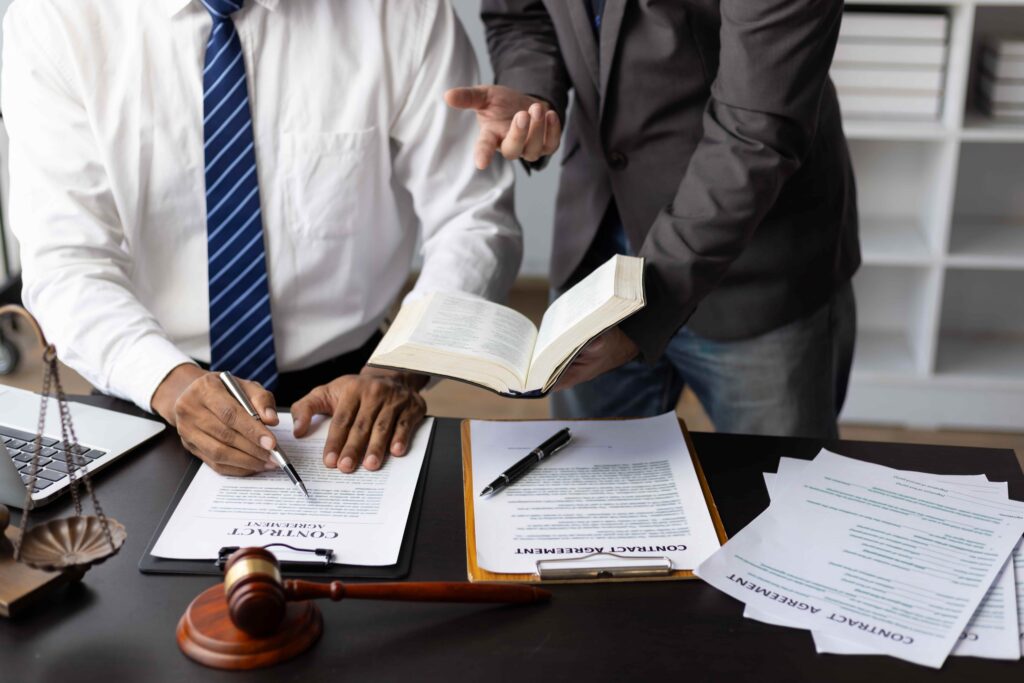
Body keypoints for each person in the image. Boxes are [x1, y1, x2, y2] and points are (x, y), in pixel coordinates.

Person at [4, 0, 521, 474]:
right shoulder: (55, 19)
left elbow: (474, 217)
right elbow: (67, 260)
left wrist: (400, 368)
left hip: (355, 393)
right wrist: (168, 381)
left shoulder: (400, 11)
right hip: (145, 384)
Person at [447, 0, 859, 438]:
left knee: (778, 491)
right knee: (590, 484)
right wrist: (533, 94)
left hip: (756, 261)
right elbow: (519, 14)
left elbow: (754, 132)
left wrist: (644, 309)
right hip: (596, 246)